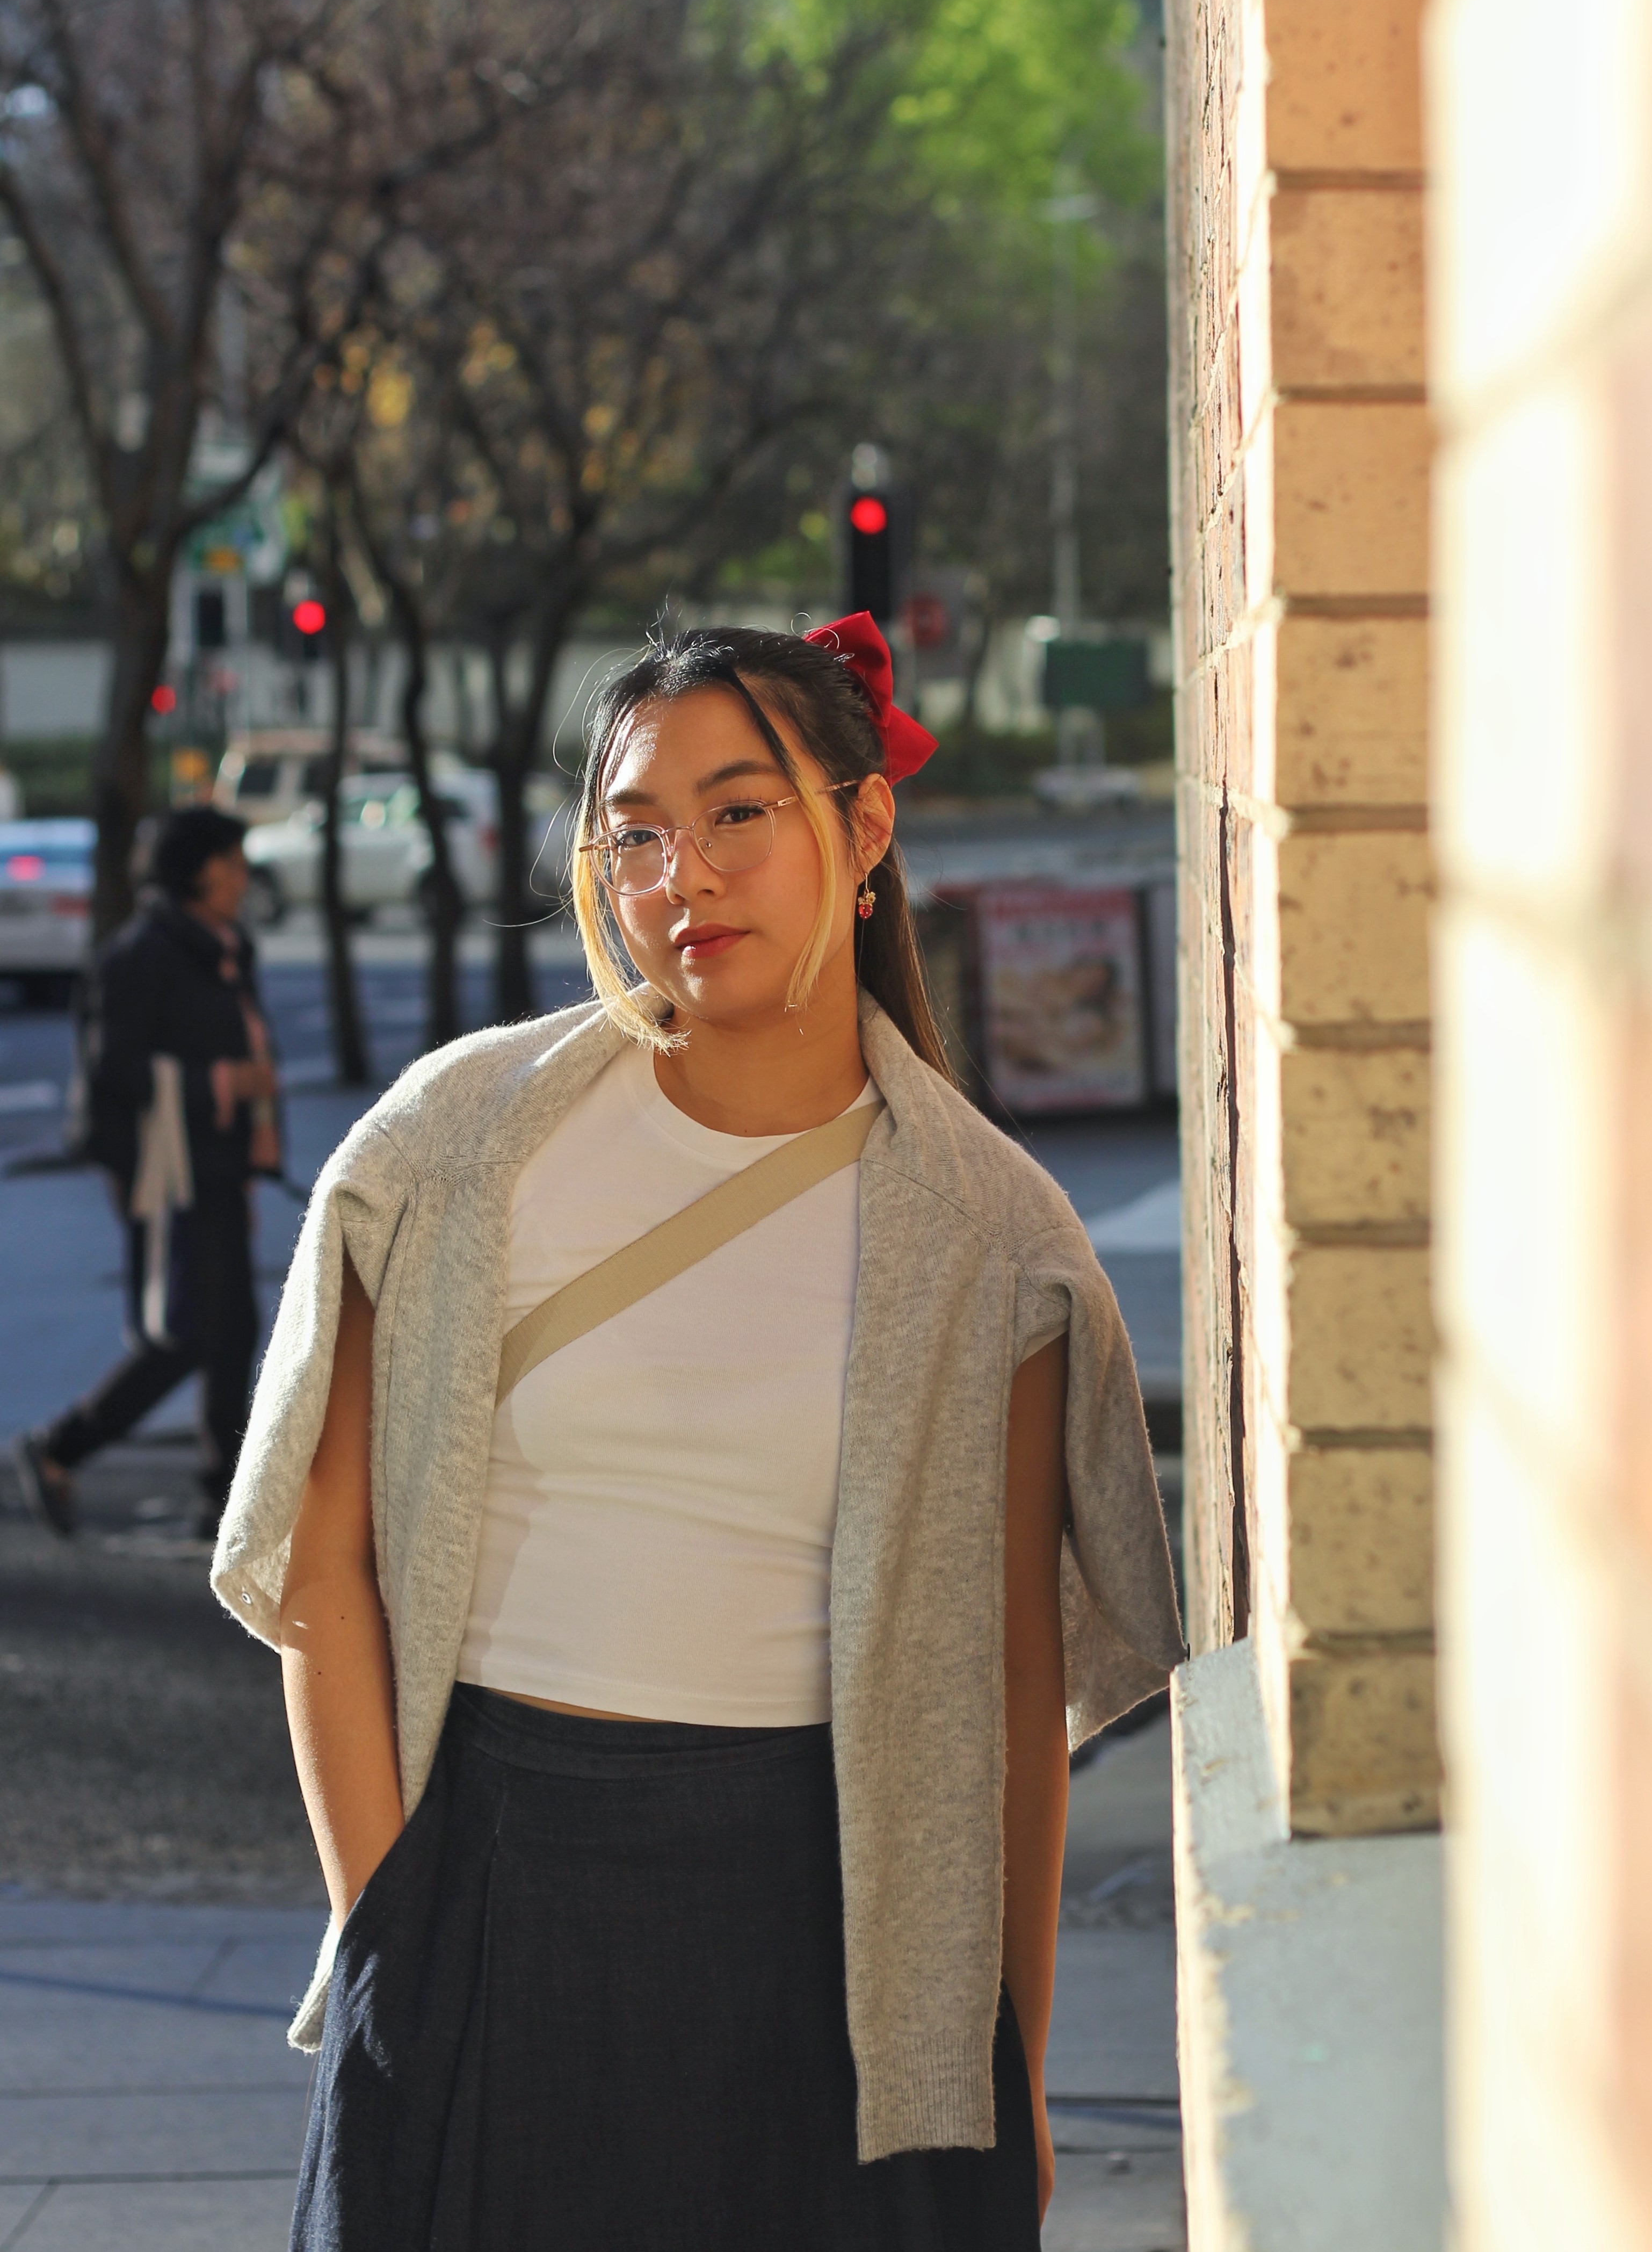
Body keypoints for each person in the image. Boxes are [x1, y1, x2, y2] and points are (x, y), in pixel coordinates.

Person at [212, 617, 1182, 2251]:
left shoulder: (989, 1233)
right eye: (637, 833)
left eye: (740, 812)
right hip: (497, 1879)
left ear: (861, 830)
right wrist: (391, 1925)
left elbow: (1007, 1674)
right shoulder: (459, 1147)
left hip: (843, 1916)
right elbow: (324, 1563)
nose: (685, 878)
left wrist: (1007, 2060)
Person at [12, 806, 279, 1542]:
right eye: (227, 861)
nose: (239, 875)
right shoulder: (142, 956)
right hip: (166, 1175)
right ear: (191, 869)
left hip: (219, 1168)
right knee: (187, 1331)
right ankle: (57, 1448)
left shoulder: (226, 948)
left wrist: (253, 1156)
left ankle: (224, 1503)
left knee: (231, 1333)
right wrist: (225, 1082)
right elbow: (114, 1070)